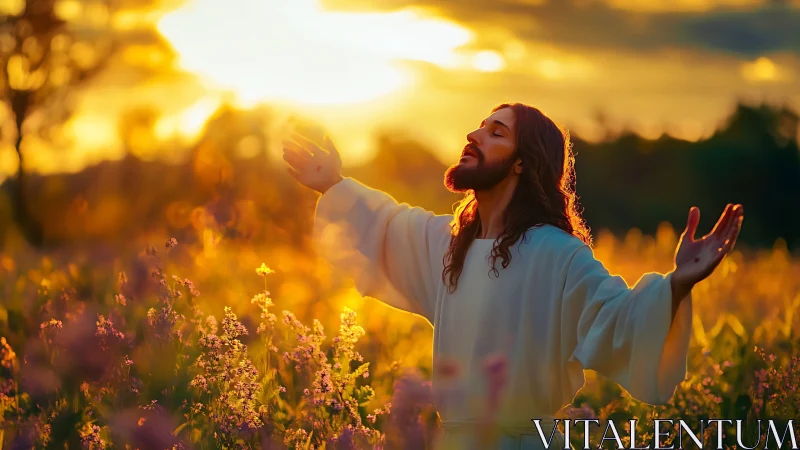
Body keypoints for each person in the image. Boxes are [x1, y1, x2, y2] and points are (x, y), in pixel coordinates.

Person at [282, 102, 744, 449]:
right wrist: (333, 184)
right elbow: (385, 224)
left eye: (495, 132)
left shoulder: (557, 254)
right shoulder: (449, 245)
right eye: (480, 126)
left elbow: (618, 318)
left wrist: (679, 282)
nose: (474, 134)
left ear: (522, 162)